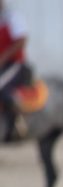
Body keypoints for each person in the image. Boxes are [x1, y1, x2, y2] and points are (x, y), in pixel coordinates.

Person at [0, 0, 32, 142]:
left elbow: (22, 41)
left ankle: (18, 123)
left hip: (14, 64)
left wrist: (3, 58)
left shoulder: (13, 17)